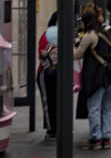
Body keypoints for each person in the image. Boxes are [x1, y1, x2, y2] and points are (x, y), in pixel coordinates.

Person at [74, 9, 111, 151]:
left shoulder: (90, 35)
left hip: (97, 77)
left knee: (94, 108)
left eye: (82, 21)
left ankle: (96, 137)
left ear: (87, 22)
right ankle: (107, 138)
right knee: (106, 108)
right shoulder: (107, 32)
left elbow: (77, 54)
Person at [37, 12, 58, 141]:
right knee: (49, 102)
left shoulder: (63, 35)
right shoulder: (47, 35)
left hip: (58, 73)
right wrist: (49, 50)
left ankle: (56, 127)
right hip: (47, 73)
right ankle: (51, 130)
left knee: (56, 102)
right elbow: (41, 52)